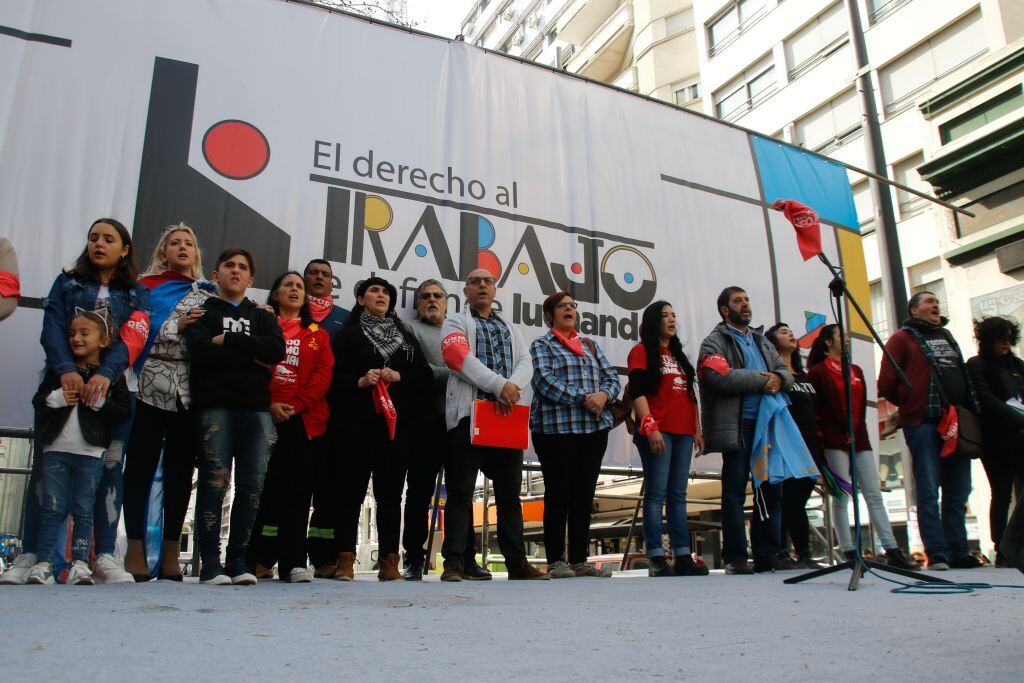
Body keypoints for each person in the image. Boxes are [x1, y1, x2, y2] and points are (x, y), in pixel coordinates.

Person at [2, 219, 150, 587]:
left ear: (125, 249)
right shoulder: (67, 282)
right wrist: (66, 369)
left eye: (109, 239)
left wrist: (106, 374)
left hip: (114, 390)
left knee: (109, 471)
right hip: (62, 386)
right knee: (44, 470)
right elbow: (51, 327)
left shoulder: (136, 292)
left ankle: (100, 556)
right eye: (93, 237)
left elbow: (137, 334)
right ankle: (34, 554)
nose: (99, 243)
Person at [184, 248, 285, 585]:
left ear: (251, 279)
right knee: (214, 484)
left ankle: (238, 562)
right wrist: (249, 352)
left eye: (243, 267)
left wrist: (228, 339)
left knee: (252, 487)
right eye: (229, 265)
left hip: (257, 410)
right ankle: (211, 564)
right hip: (215, 407)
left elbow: (275, 351)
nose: (236, 271)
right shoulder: (203, 311)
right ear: (216, 274)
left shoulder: (263, 315)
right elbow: (199, 352)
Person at [439, 269, 547, 581]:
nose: (482, 285)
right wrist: (500, 386)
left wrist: (510, 388)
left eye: (487, 281)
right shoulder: (456, 322)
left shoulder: (512, 328)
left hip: (505, 418)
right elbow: (456, 355)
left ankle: (517, 563)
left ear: (495, 290)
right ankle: (455, 563)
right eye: (475, 281)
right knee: (460, 491)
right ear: (466, 291)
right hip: (468, 417)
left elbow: (526, 362)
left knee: (510, 494)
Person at [122, 224, 215, 581]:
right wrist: (177, 326)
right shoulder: (144, 289)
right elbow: (136, 331)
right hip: (147, 381)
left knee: (180, 472)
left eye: (188, 243)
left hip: (189, 387)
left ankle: (172, 551)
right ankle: (134, 549)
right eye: (174, 243)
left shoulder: (209, 294)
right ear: (163, 252)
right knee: (140, 467)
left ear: (196, 253)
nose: (182, 247)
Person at [328, 276, 431, 581]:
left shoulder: (405, 336)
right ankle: (344, 559)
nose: (381, 295)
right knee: (351, 492)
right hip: (356, 425)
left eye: (386, 291)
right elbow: (330, 379)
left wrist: (399, 376)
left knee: (390, 496)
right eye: (374, 290)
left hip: (396, 428)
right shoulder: (347, 335)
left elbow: (424, 377)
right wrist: (358, 381)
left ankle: (390, 561)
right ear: (360, 299)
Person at [26, 311, 131, 584]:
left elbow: (122, 412)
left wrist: (99, 403)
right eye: (72, 333)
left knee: (84, 509)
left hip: (91, 453)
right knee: (52, 508)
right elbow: (39, 401)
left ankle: (80, 563)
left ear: (104, 341)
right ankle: (43, 563)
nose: (76, 338)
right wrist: (57, 398)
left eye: (85, 333)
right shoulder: (56, 371)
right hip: (55, 451)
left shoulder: (113, 377)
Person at [879, 292, 982, 570]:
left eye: (936, 302)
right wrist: (911, 399)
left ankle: (959, 551)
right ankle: (937, 553)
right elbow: (886, 382)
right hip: (923, 422)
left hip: (955, 421)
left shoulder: (947, 336)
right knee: (928, 489)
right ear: (914, 310)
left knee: (959, 489)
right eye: (928, 302)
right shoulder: (902, 338)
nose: (935, 305)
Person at [807, 324, 918, 570]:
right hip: (833, 439)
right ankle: (848, 550)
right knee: (841, 496)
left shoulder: (855, 370)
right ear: (827, 342)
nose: (846, 340)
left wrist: (857, 433)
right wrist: (824, 440)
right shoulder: (817, 372)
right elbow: (817, 410)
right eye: (841, 336)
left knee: (873, 494)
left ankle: (892, 549)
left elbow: (860, 408)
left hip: (860, 439)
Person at [247, 272, 334, 583]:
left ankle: (294, 562)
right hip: (262, 414)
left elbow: (322, 377)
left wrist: (296, 406)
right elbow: (250, 368)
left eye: (300, 286)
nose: (295, 290)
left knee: (298, 491)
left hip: (303, 421)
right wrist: (269, 403)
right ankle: (255, 558)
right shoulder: (260, 327)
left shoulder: (318, 335)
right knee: (260, 489)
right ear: (275, 294)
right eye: (288, 285)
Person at [698, 286, 792, 574]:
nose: (746, 305)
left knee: (771, 490)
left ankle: (768, 555)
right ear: (725, 310)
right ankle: (736, 558)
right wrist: (764, 380)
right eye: (738, 301)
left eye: (747, 300)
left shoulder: (763, 341)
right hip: (739, 425)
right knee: (734, 493)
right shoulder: (714, 341)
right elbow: (719, 378)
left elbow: (785, 373)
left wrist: (778, 378)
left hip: (768, 425)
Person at [401, 280, 489, 580]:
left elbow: (478, 367)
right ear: (417, 305)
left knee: (462, 492)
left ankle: (464, 558)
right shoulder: (409, 330)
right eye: (425, 296)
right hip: (425, 421)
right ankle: (413, 558)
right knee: (419, 493)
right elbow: (419, 371)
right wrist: (462, 374)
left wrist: (465, 373)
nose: (432, 300)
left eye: (438, 296)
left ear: (448, 303)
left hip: (461, 421)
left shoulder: (462, 330)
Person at [531, 292, 621, 579]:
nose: (569, 309)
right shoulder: (541, 345)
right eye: (562, 306)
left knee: (584, 494)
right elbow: (545, 382)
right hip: (556, 430)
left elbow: (613, 378)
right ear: (549, 315)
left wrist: (604, 395)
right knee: (558, 494)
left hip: (593, 430)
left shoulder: (590, 345)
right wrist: (587, 399)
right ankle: (557, 561)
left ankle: (580, 560)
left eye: (573, 305)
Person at [627, 300, 707, 578]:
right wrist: (650, 427)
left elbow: (690, 396)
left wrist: (697, 429)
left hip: (684, 432)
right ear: (653, 320)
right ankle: (657, 557)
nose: (672, 320)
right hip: (658, 430)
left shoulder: (679, 355)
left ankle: (683, 555)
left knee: (678, 495)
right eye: (665, 316)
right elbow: (637, 390)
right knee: (656, 494)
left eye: (674, 315)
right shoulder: (641, 351)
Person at [301, 259, 351, 576]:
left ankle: (323, 558)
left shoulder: (345, 319)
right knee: (286, 485)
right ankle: (267, 555)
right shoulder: (289, 309)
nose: (319, 278)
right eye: (314, 274)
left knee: (329, 490)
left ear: (333, 283)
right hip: (291, 411)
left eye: (326, 275)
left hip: (333, 416)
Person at [765, 322, 823, 569]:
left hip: (809, 447)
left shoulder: (804, 376)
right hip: (784, 446)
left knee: (798, 501)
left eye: (791, 330)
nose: (790, 334)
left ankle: (803, 553)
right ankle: (783, 551)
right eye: (783, 331)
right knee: (786, 501)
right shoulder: (774, 376)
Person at [967, 316, 1024, 567]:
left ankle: (1017, 546)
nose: (1006, 343)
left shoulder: (1017, 365)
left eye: (1010, 338)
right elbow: (985, 398)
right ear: (988, 339)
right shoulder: (977, 365)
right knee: (1001, 493)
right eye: (1001, 338)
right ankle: (1002, 549)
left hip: (1021, 435)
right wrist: (1014, 415)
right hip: (996, 439)